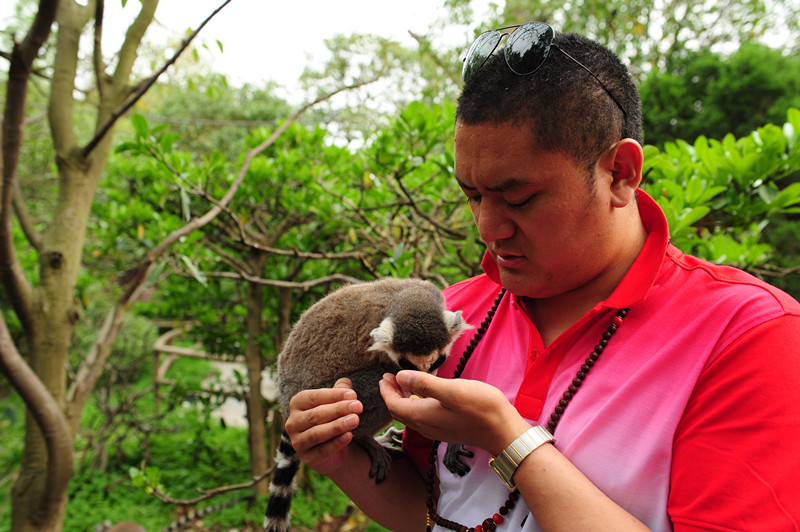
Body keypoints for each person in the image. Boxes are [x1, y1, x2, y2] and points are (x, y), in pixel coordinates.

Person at [284, 22, 800, 531]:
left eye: (519, 198)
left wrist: (509, 439)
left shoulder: (747, 335)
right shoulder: (455, 317)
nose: (488, 228)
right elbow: (433, 511)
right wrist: (339, 457)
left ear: (620, 172)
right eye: (473, 195)